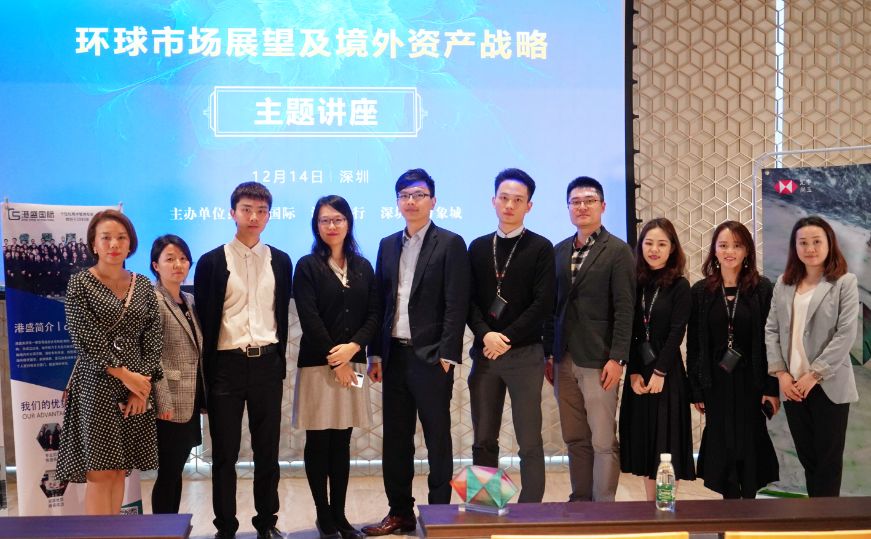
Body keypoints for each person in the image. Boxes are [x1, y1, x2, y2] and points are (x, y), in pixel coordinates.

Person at [362, 169, 470, 536]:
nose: (411, 201)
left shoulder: (450, 243)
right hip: (394, 356)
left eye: (419, 195)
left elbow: (456, 303)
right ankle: (400, 513)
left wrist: (447, 356)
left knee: (437, 438)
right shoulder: (387, 244)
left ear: (433, 201)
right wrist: (375, 354)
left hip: (432, 359)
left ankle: (439, 514)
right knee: (396, 440)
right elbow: (380, 302)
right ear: (397, 202)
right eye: (405, 195)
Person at [194, 182, 292, 539]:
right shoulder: (211, 262)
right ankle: (226, 528)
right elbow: (205, 322)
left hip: (267, 364)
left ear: (269, 216)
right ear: (232, 212)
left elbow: (280, 314)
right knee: (224, 455)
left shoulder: (281, 261)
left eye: (261, 211)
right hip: (226, 367)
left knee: (268, 452)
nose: (254, 217)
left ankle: (266, 523)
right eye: (247, 209)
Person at [56, 209, 162, 515]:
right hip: (96, 385)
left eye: (121, 238)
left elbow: (153, 337)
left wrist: (140, 387)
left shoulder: (143, 285)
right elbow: (84, 338)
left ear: (131, 244)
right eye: (106, 238)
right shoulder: (80, 283)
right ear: (94, 244)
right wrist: (126, 375)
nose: (114, 244)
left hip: (136, 387)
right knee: (100, 473)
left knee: (119, 470)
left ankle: (114, 532)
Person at [292, 195, 379, 539]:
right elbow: (309, 317)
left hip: (353, 364)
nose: (332, 225)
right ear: (316, 225)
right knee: (318, 441)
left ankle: (341, 516)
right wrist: (335, 359)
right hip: (317, 366)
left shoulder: (363, 266)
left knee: (342, 441)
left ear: (348, 222)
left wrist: (353, 350)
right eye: (325, 220)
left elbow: (374, 314)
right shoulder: (307, 266)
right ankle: (323, 516)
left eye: (338, 219)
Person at [545, 176, 635, 502]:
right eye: (576, 202)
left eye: (589, 200)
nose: (582, 207)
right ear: (568, 207)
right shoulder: (558, 251)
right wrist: (549, 353)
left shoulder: (618, 251)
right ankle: (580, 503)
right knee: (574, 437)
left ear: (603, 206)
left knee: (602, 440)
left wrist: (618, 357)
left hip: (599, 359)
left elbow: (625, 308)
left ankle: (603, 509)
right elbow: (552, 308)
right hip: (563, 358)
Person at [466, 168, 554, 503]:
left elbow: (543, 304)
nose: (509, 205)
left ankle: (531, 511)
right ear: (493, 201)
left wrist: (505, 338)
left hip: (525, 356)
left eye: (518, 200)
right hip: (486, 357)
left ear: (529, 206)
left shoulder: (541, 247)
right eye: (504, 198)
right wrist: (486, 335)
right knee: (483, 439)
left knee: (529, 440)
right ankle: (487, 506)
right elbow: (468, 302)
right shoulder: (477, 247)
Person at [765, 216, 859, 497]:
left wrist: (815, 374)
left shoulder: (844, 282)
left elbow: (846, 334)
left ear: (829, 244)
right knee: (809, 461)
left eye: (817, 241)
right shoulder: (784, 283)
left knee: (828, 464)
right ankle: (815, 515)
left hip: (828, 385)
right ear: (794, 247)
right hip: (792, 387)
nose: (810, 248)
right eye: (803, 242)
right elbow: (771, 329)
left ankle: (826, 519)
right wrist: (781, 374)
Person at [687, 221, 779, 498]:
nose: (730, 251)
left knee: (750, 439)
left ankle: (749, 505)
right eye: (723, 245)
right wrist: (696, 389)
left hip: (752, 380)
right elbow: (694, 345)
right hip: (715, 381)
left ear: (747, 250)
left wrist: (771, 387)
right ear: (714, 250)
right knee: (722, 440)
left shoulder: (762, 289)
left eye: (737, 245)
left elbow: (773, 341)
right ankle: (729, 506)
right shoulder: (701, 291)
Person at [618, 218, 695, 499]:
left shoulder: (680, 286)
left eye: (662, 244)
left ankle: (666, 507)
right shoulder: (634, 283)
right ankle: (653, 508)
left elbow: (677, 332)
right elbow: (629, 331)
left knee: (666, 445)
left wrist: (660, 372)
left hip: (668, 375)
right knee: (646, 444)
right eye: (649, 243)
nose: (654, 249)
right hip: (638, 374)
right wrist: (634, 372)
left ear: (672, 248)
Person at [150, 234, 206, 514]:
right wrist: (162, 401)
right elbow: (152, 356)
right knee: (168, 471)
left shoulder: (189, 300)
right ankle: (161, 528)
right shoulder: (152, 300)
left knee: (176, 468)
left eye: (183, 259)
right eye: (170, 259)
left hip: (189, 398)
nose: (178, 265)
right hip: (168, 402)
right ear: (155, 265)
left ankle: (172, 527)